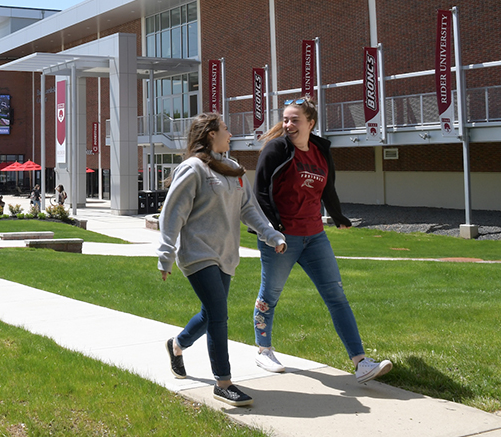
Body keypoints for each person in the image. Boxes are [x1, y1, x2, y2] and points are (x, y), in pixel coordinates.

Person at [252, 96, 393, 383]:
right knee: (271, 295)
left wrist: (338, 215)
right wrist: (271, 230)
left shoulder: (319, 150)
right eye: (286, 119)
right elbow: (261, 192)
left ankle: (361, 362)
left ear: (311, 123)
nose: (288, 124)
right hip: (281, 237)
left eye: (295, 119)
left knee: (336, 296)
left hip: (315, 235)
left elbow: (328, 187)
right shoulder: (276, 148)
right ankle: (263, 350)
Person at [157, 113, 287, 407]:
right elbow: (172, 214)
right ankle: (223, 382)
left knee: (209, 314)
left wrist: (272, 235)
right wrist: (166, 255)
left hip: (226, 255)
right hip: (198, 254)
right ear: (211, 134)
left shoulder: (232, 170)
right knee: (219, 315)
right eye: (225, 129)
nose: (230, 133)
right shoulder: (193, 169)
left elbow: (250, 210)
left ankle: (177, 345)